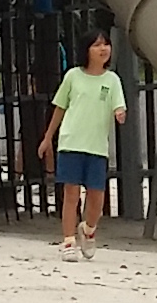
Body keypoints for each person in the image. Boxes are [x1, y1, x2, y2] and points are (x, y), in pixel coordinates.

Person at [41, 33, 127, 258]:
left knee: (96, 196)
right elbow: (59, 107)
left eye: (106, 44)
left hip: (97, 146)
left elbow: (119, 105)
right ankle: (68, 241)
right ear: (86, 49)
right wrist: (48, 137)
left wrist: (119, 112)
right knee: (71, 194)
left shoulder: (112, 80)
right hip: (71, 142)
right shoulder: (73, 76)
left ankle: (88, 230)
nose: (103, 48)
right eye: (97, 44)